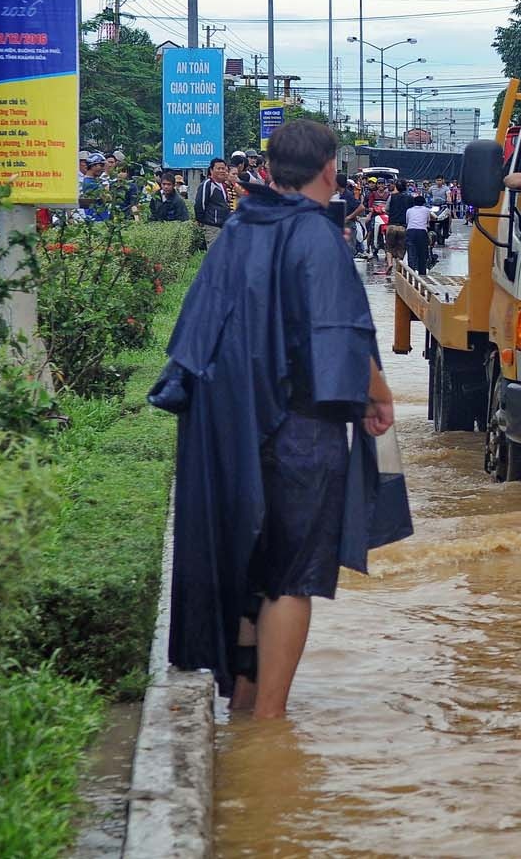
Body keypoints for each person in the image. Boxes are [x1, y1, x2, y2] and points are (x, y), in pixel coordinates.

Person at [148, 119, 412, 717]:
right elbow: (340, 337)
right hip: (301, 432)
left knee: (249, 567)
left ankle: (242, 705)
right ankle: (268, 725)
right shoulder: (320, 239)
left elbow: (199, 332)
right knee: (294, 577)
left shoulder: (239, 230)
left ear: (269, 169)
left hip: (233, 431)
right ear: (329, 170)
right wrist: (380, 394)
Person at [195, 157, 232, 244]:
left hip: (223, 226)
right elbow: (200, 204)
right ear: (211, 170)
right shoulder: (207, 184)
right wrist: (201, 220)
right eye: (218, 168)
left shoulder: (223, 185)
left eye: (223, 169)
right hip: (212, 226)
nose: (221, 171)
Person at [384, 179, 412, 264]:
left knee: (389, 247)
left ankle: (390, 264)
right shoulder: (410, 198)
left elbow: (386, 209)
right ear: (406, 187)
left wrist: (392, 214)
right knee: (401, 249)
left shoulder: (391, 196)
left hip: (391, 225)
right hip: (402, 227)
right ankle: (398, 268)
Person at [405, 193, 431, 275]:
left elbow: (407, 221)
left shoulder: (409, 210)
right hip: (422, 232)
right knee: (422, 253)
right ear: (423, 202)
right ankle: (422, 273)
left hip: (410, 231)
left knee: (411, 253)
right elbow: (427, 222)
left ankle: (411, 273)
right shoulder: (426, 210)